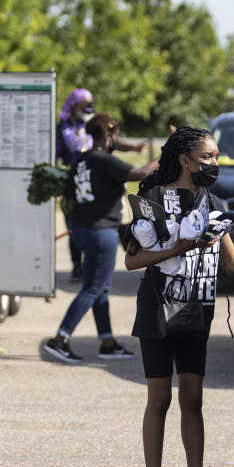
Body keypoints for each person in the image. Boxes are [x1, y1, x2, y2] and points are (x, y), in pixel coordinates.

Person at [124, 126, 234, 467]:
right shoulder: (152, 198)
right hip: (158, 307)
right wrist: (177, 248)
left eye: (216, 156)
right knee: (159, 398)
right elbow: (131, 261)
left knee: (193, 399)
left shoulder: (213, 202)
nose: (214, 163)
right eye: (208, 157)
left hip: (198, 309)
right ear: (184, 160)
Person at [43, 113, 159, 364]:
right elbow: (139, 173)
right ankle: (60, 339)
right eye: (115, 135)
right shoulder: (102, 160)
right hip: (101, 231)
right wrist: (166, 154)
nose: (116, 140)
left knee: (101, 288)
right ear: (107, 135)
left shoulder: (80, 160)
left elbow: (70, 198)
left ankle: (107, 342)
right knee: (93, 288)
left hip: (83, 229)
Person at [57, 88, 147, 282]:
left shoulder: (94, 125)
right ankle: (77, 266)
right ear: (73, 106)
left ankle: (116, 250)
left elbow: (112, 140)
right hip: (76, 175)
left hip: (98, 175)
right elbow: (56, 153)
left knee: (108, 217)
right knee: (77, 223)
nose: (88, 108)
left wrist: (132, 147)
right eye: (84, 105)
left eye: (90, 104)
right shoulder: (63, 128)